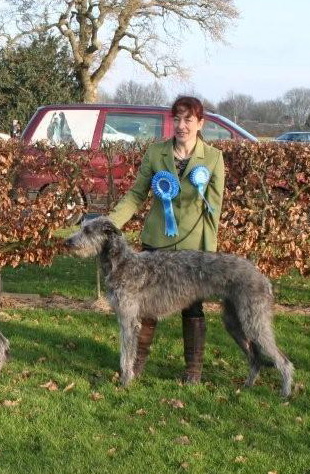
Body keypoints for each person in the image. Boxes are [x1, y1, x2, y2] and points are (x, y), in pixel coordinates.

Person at [107, 96, 225, 384]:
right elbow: (136, 195)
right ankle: (136, 364)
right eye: (178, 119)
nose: (182, 125)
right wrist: (109, 224)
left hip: (193, 249)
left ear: (200, 123)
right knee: (146, 308)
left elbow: (214, 209)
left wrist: (209, 254)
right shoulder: (156, 152)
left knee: (193, 309)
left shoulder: (213, 158)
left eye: (188, 120)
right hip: (157, 242)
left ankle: (193, 371)